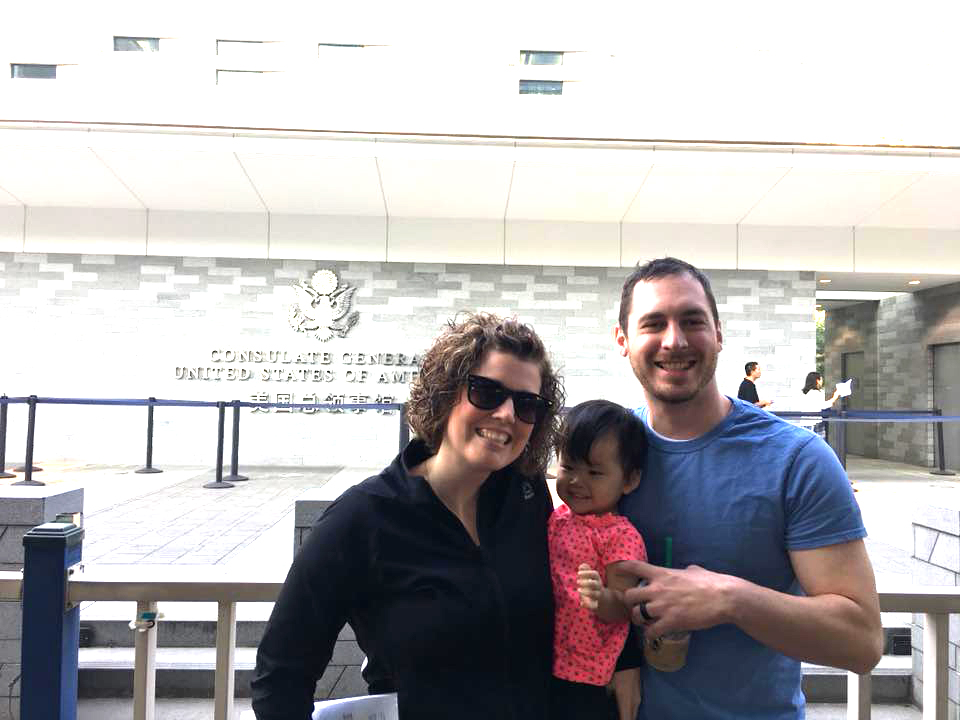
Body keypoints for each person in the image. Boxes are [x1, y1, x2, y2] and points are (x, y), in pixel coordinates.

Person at [251, 312, 565, 720]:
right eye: (487, 392)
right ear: (446, 393)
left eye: (527, 404)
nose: (507, 413)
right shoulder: (361, 518)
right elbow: (280, 678)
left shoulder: (527, 493)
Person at [612, 257, 882, 719]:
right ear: (623, 341)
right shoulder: (606, 457)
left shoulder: (797, 461)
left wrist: (729, 600)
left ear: (717, 334)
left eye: (692, 321)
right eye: (653, 323)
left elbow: (861, 642)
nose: (674, 339)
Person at [547, 400, 648, 720]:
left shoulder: (620, 536)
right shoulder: (557, 517)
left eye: (594, 472)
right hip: (547, 659)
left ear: (629, 480)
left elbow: (624, 604)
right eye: (569, 467)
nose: (577, 481)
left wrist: (601, 597)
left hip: (591, 671)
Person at [799, 371, 841, 436]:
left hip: (805, 423)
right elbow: (823, 406)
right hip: (814, 423)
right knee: (818, 444)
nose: (822, 381)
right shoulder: (816, 393)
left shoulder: (805, 393)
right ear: (817, 380)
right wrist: (835, 397)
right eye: (821, 379)